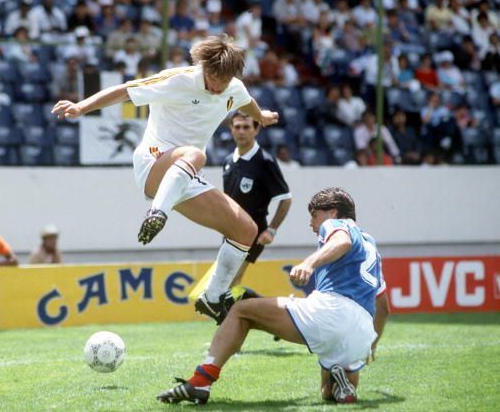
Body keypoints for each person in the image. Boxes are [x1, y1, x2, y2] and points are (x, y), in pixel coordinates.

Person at [52, 34, 279, 323]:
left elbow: (245, 102)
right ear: (203, 67)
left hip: (185, 175)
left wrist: (263, 116)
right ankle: (157, 213)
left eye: (223, 80)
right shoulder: (178, 79)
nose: (217, 85)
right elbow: (125, 90)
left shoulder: (233, 88)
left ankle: (212, 298)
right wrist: (81, 107)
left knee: (246, 230)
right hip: (153, 163)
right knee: (197, 156)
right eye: (212, 77)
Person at [156, 187, 390, 405]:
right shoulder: (370, 246)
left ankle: (200, 382)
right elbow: (383, 306)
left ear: (333, 212)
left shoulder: (338, 225)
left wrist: (309, 263)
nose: (311, 223)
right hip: (361, 332)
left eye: (314, 215)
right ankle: (341, 384)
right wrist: (372, 344)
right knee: (327, 395)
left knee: (241, 310)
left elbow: (342, 241)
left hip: (333, 312)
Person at [221, 112, 292, 293]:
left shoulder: (264, 161)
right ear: (231, 129)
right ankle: (246, 314)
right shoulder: (229, 161)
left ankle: (237, 318)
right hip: (230, 231)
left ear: (256, 129)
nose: (241, 131)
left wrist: (271, 230)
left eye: (246, 127)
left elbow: (285, 199)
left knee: (231, 280)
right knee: (224, 281)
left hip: (253, 232)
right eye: (237, 127)